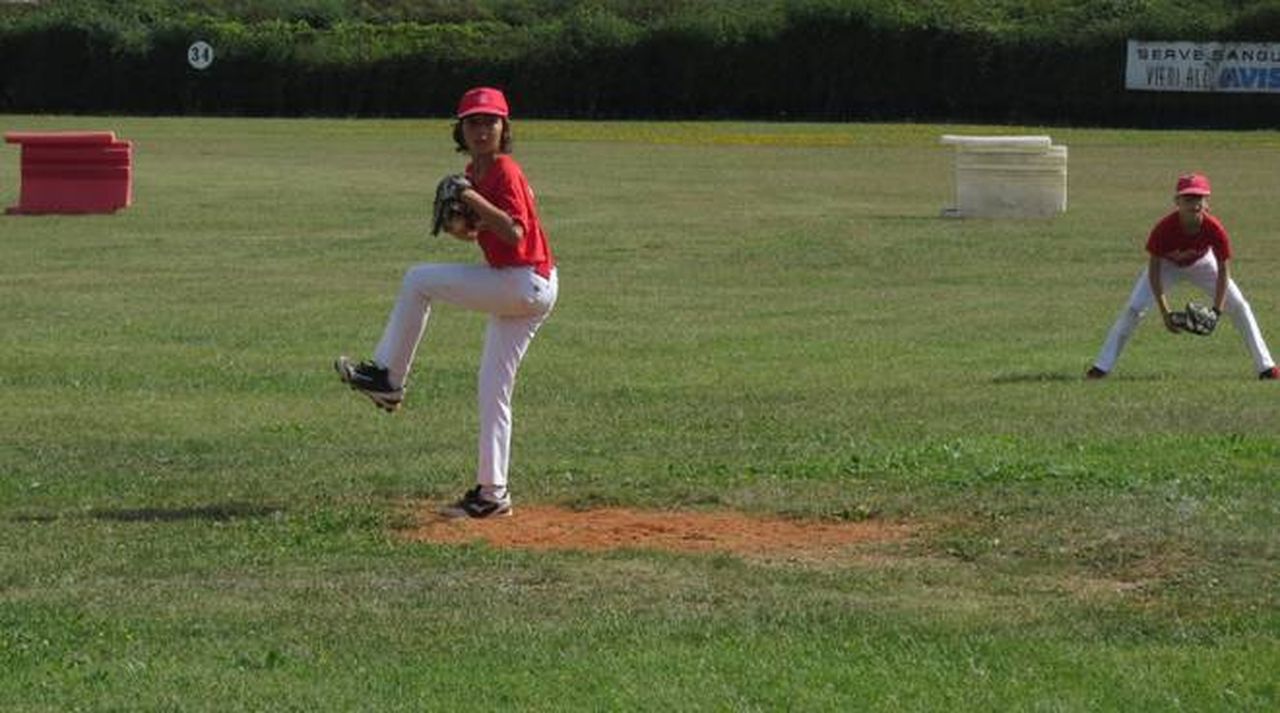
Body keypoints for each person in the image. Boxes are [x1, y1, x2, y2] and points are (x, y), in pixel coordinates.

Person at [336, 86, 558, 518]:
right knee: (493, 390)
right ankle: (493, 495)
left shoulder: (503, 170)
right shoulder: (474, 170)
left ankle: (388, 378)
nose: (481, 129)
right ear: (461, 128)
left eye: (490, 122)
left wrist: (471, 199)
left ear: (504, 128)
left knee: (419, 280)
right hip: (525, 283)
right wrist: (462, 227)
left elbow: (514, 233)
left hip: (523, 281)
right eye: (473, 122)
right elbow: (481, 232)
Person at [1087, 172, 1278, 380]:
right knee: (1134, 308)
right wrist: (1165, 313)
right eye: (1188, 198)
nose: (1194, 203)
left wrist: (1216, 311)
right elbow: (1154, 270)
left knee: (1240, 306)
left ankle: (1266, 368)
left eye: (1199, 198)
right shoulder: (1163, 229)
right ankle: (1101, 367)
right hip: (1166, 266)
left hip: (1203, 263)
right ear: (1177, 201)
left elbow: (1223, 269)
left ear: (1206, 202)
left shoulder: (1215, 229)